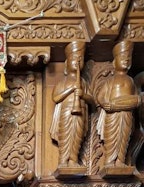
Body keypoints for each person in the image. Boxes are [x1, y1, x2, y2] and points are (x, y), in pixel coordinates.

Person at [96, 40, 139, 170]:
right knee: (112, 136)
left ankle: (120, 160)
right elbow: (100, 96)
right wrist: (105, 104)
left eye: (128, 57)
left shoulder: (130, 80)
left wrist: (133, 101)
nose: (126, 59)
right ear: (115, 62)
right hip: (112, 114)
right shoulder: (111, 81)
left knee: (124, 136)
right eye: (123, 57)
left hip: (126, 114)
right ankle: (110, 160)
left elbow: (136, 98)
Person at [50, 40, 90, 170]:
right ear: (67, 62)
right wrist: (71, 89)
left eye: (81, 58)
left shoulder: (83, 82)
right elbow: (55, 97)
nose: (78, 61)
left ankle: (73, 159)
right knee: (65, 135)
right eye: (74, 58)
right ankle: (63, 159)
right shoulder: (64, 81)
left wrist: (83, 94)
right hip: (67, 112)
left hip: (80, 112)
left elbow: (92, 100)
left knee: (77, 135)